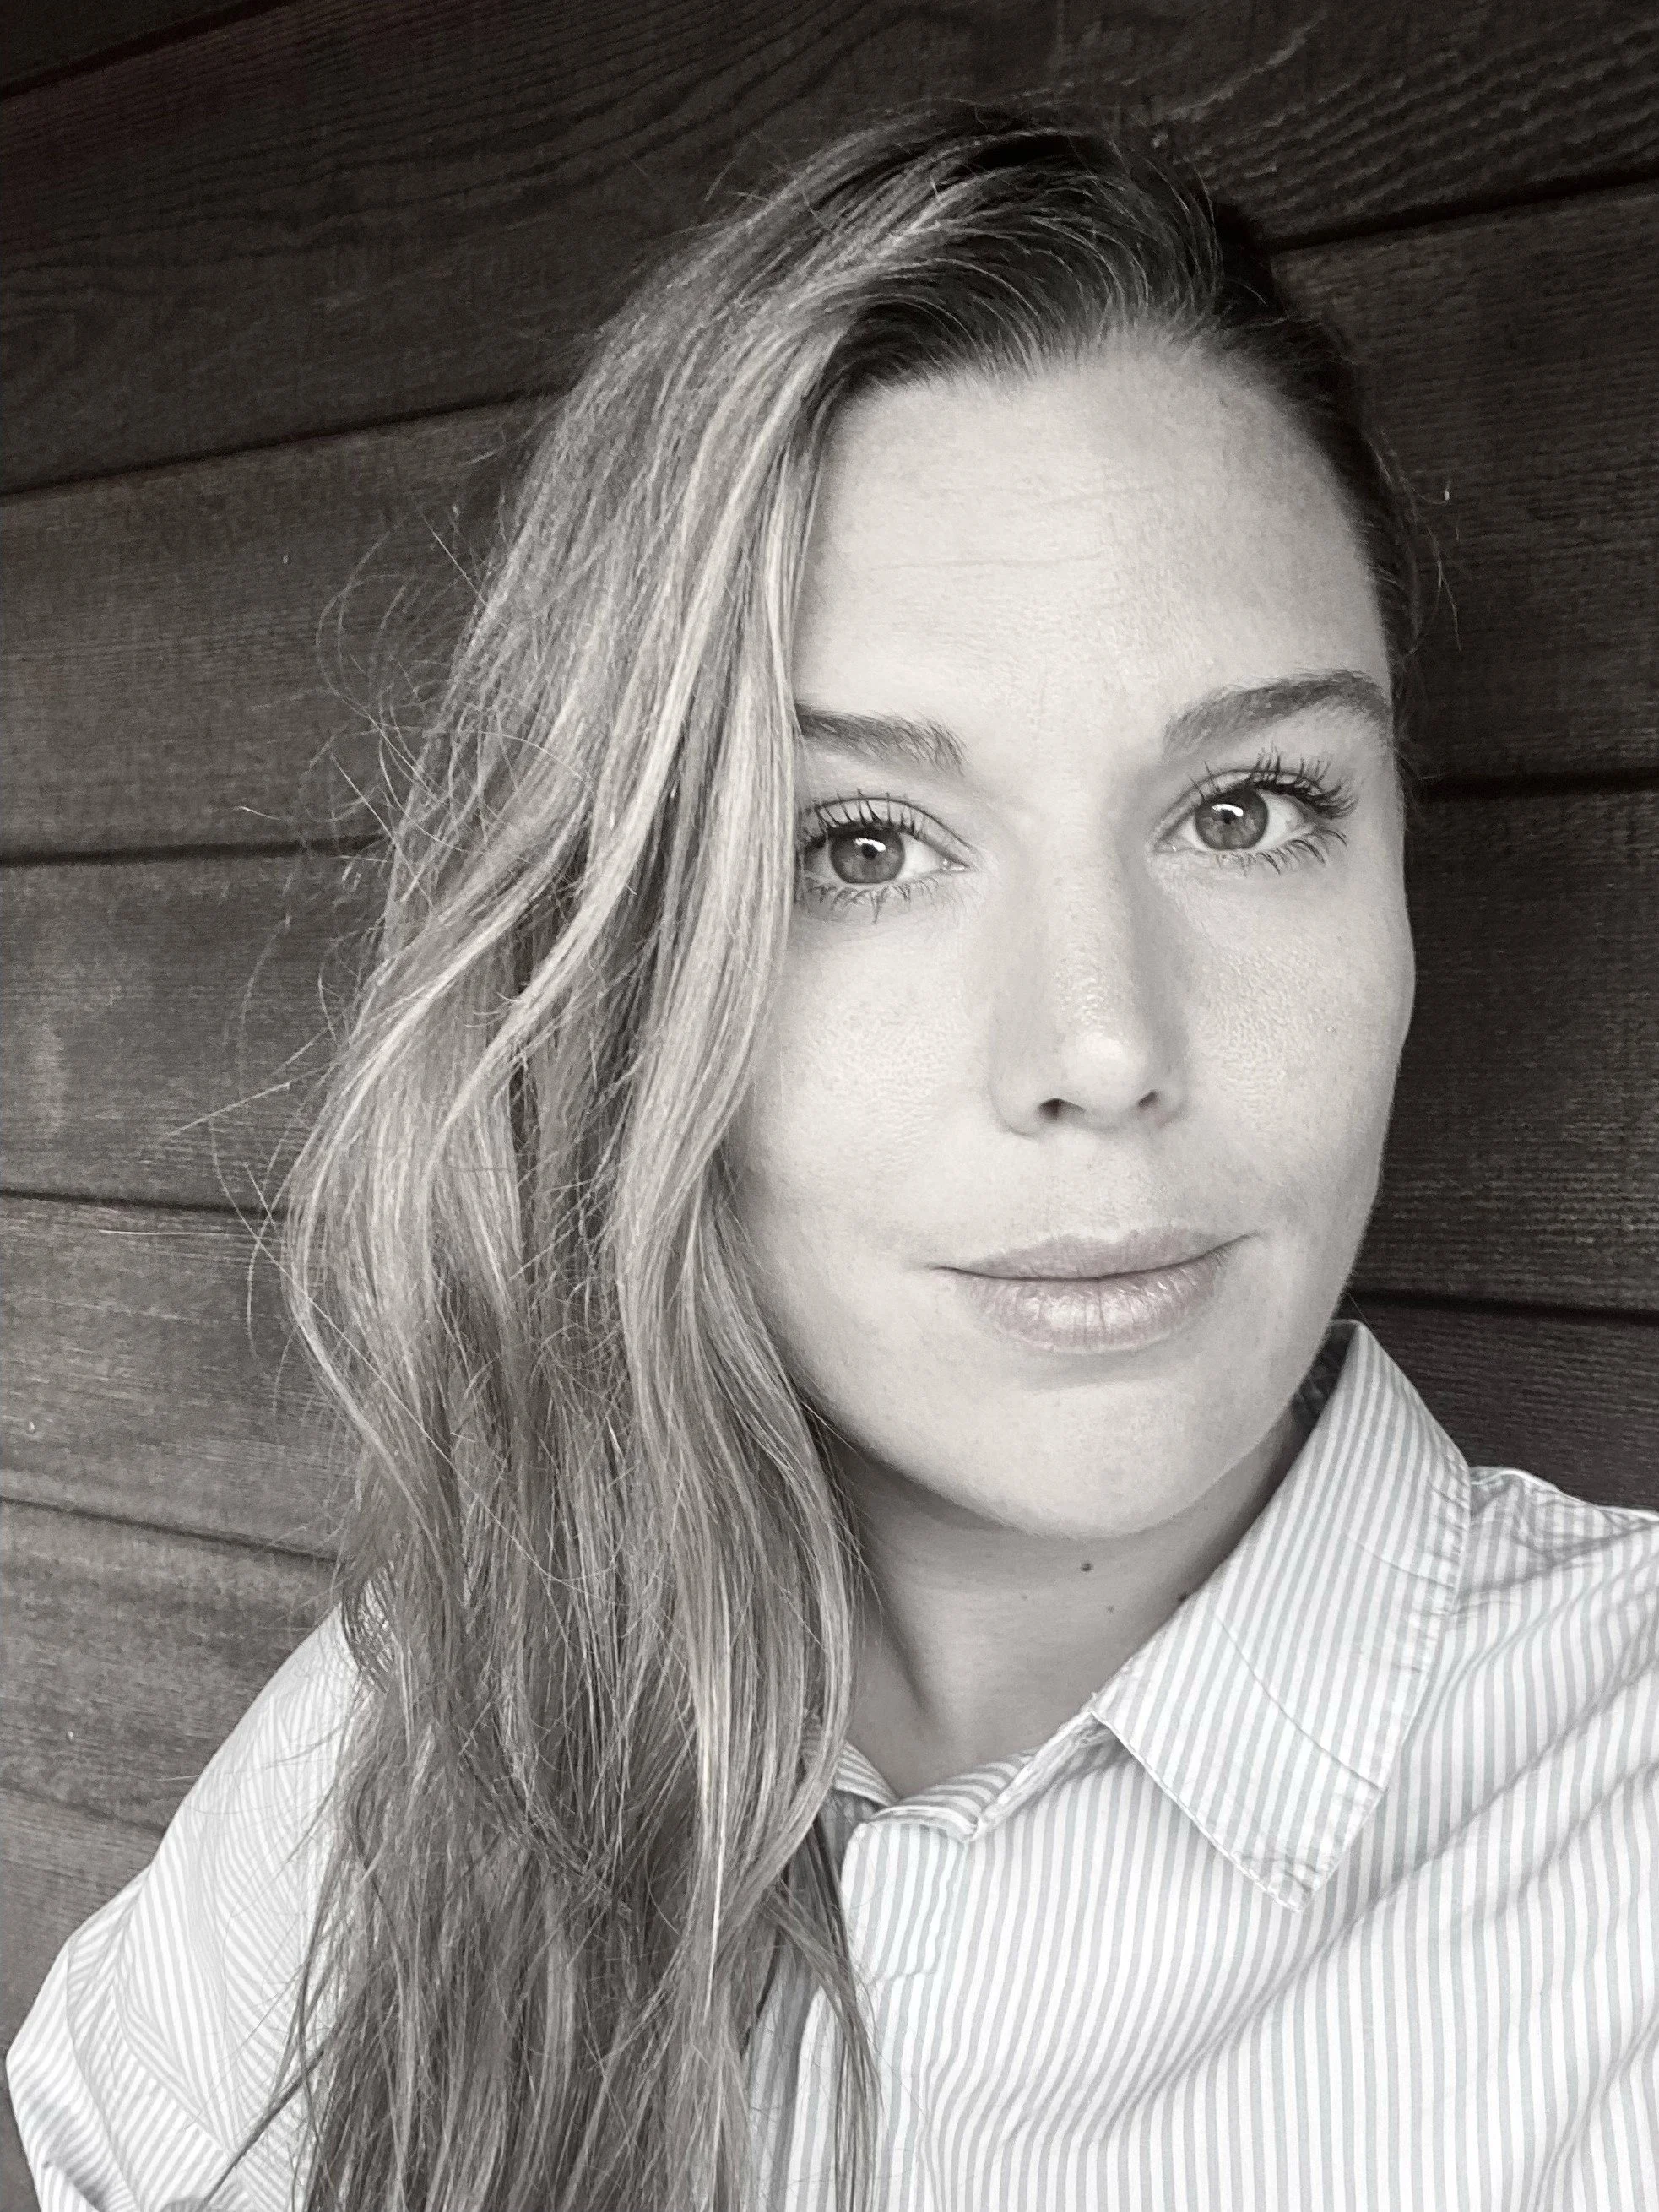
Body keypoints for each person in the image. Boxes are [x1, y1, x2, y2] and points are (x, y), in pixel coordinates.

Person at [8, 103, 1657, 2212]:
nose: (1100, 1044)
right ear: (612, 957)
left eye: (1243, 807)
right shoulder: (413, 1738)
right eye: (856, 845)